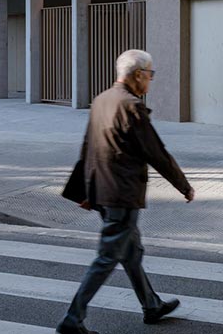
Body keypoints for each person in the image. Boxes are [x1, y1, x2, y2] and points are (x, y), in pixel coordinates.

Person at [57, 49, 194, 334]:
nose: (151, 80)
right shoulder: (131, 106)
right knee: (107, 257)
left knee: (130, 252)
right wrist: (184, 186)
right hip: (121, 194)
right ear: (138, 74)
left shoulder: (102, 100)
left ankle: (151, 305)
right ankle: (73, 319)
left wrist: (83, 191)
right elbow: (157, 153)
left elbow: (87, 147)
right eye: (151, 74)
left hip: (103, 191)